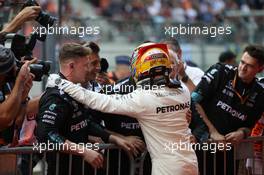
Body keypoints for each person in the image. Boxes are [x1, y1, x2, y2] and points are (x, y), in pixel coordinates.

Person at [47, 42, 199, 175]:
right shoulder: (182, 90)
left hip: (167, 167)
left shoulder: (144, 98)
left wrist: (60, 81)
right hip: (191, 162)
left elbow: (96, 100)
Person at [35, 43, 136, 175]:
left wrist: (112, 138)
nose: (89, 69)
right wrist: (83, 151)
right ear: (71, 66)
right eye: (85, 65)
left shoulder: (74, 91)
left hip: (83, 167)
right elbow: (46, 134)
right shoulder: (55, 96)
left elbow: (84, 123)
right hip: (63, 169)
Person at [191, 45, 264, 175]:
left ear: (260, 69)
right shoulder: (220, 72)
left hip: (229, 151)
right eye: (242, 62)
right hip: (204, 143)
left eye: (250, 66)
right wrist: (212, 132)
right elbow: (195, 101)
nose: (243, 68)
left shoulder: (260, 93)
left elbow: (249, 126)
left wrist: (242, 133)